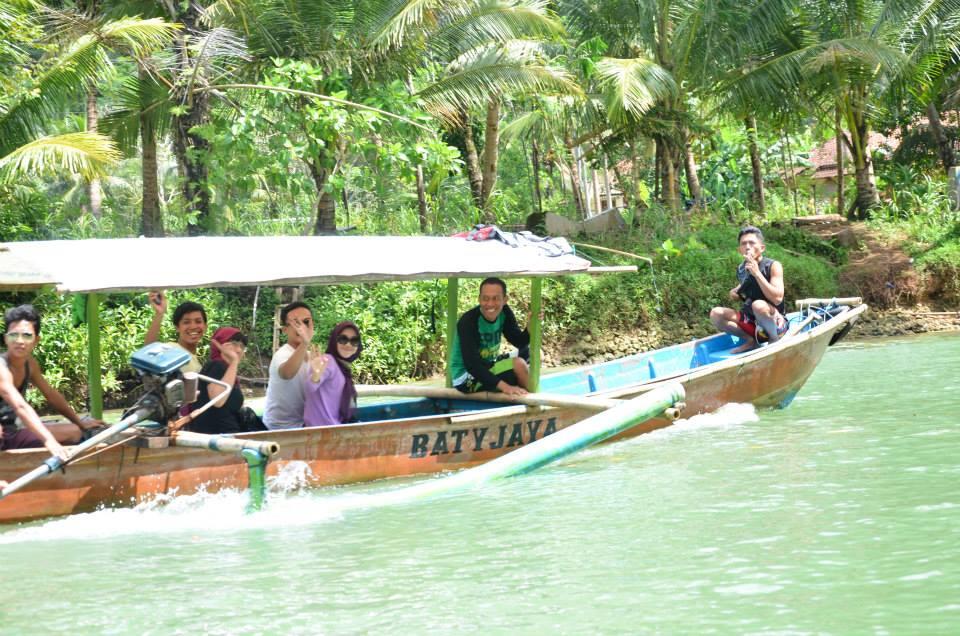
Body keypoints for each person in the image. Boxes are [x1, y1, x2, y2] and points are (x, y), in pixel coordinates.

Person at [1, 304, 103, 450]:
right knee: (73, 433)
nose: (19, 341)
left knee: (75, 429)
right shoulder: (1, 367)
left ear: (36, 340)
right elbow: (20, 406)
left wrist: (79, 422)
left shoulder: (30, 364)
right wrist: (49, 441)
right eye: (13, 335)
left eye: (26, 335)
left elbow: (51, 394)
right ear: (5, 339)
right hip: (4, 435)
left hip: (12, 430)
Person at [709, 226, 787, 353]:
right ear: (740, 249)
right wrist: (735, 292)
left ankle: (774, 340)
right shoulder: (741, 269)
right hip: (753, 322)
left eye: (752, 243)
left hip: (775, 323)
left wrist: (757, 273)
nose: (748, 247)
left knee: (759, 305)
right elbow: (746, 285)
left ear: (762, 248)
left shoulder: (773, 266)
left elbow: (777, 299)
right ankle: (751, 340)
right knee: (716, 313)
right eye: (743, 244)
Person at [450, 277, 532, 395]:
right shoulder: (468, 322)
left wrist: (529, 327)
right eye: (485, 299)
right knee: (518, 364)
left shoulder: (504, 312)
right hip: (467, 377)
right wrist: (506, 387)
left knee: (533, 353)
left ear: (505, 300)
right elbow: (473, 366)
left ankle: (520, 390)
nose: (490, 304)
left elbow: (519, 342)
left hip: (489, 365)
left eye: (496, 299)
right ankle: (531, 401)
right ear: (479, 299)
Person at [187, 327, 263, 435]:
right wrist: (234, 362)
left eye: (242, 346)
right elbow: (218, 401)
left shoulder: (227, 370)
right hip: (216, 439)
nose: (239, 350)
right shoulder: (216, 366)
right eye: (234, 343)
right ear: (219, 345)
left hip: (227, 436)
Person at [263, 301, 314, 430]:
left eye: (306, 321)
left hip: (303, 424)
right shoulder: (282, 354)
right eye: (296, 323)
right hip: (279, 428)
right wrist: (305, 342)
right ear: (285, 329)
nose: (301, 327)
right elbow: (287, 373)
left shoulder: (312, 356)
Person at [304, 321, 363, 427]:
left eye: (354, 341)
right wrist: (315, 376)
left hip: (334, 427)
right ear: (334, 341)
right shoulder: (328, 361)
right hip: (321, 431)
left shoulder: (342, 366)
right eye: (343, 339)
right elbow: (309, 388)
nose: (348, 344)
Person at [144, 291, 208, 374]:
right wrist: (159, 314)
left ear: (206, 327)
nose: (193, 327)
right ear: (177, 327)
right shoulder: (172, 349)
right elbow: (148, 354)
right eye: (186, 322)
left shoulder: (197, 361)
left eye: (198, 321)